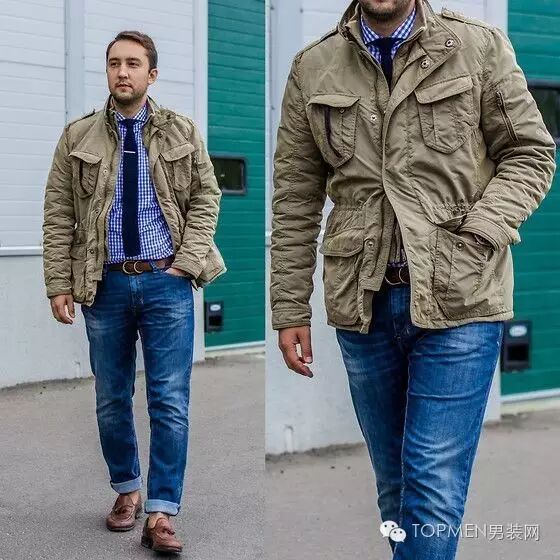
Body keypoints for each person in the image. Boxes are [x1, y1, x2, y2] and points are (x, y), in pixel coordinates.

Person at [270, 1, 556, 559]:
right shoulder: (314, 66)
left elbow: (531, 152)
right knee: (395, 484)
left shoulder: (476, 46)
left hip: (461, 298)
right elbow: (295, 197)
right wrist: (289, 307)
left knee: (431, 483)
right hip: (364, 304)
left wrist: (481, 232)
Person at [43, 31, 225, 555]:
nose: (122, 72)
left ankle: (162, 511)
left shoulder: (181, 131)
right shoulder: (77, 135)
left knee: (169, 399)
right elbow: (58, 212)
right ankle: (127, 490)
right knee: (110, 397)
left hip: (167, 280)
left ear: (152, 74)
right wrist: (59, 281)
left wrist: (187, 262)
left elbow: (206, 197)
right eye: (114, 63)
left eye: (133, 64)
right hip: (105, 284)